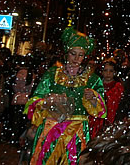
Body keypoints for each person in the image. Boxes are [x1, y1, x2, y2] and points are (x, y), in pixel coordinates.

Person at [24, 27, 106, 164]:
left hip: (77, 130)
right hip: (51, 128)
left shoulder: (92, 79)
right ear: (66, 53)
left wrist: (93, 98)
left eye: (81, 55)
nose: (76, 59)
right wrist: (48, 101)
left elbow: (101, 109)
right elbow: (34, 100)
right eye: (73, 54)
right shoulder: (52, 74)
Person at [89, 58, 124, 138]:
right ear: (102, 72)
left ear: (115, 73)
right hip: (97, 120)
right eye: (105, 70)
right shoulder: (96, 85)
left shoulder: (118, 87)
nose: (108, 73)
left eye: (111, 71)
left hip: (112, 119)